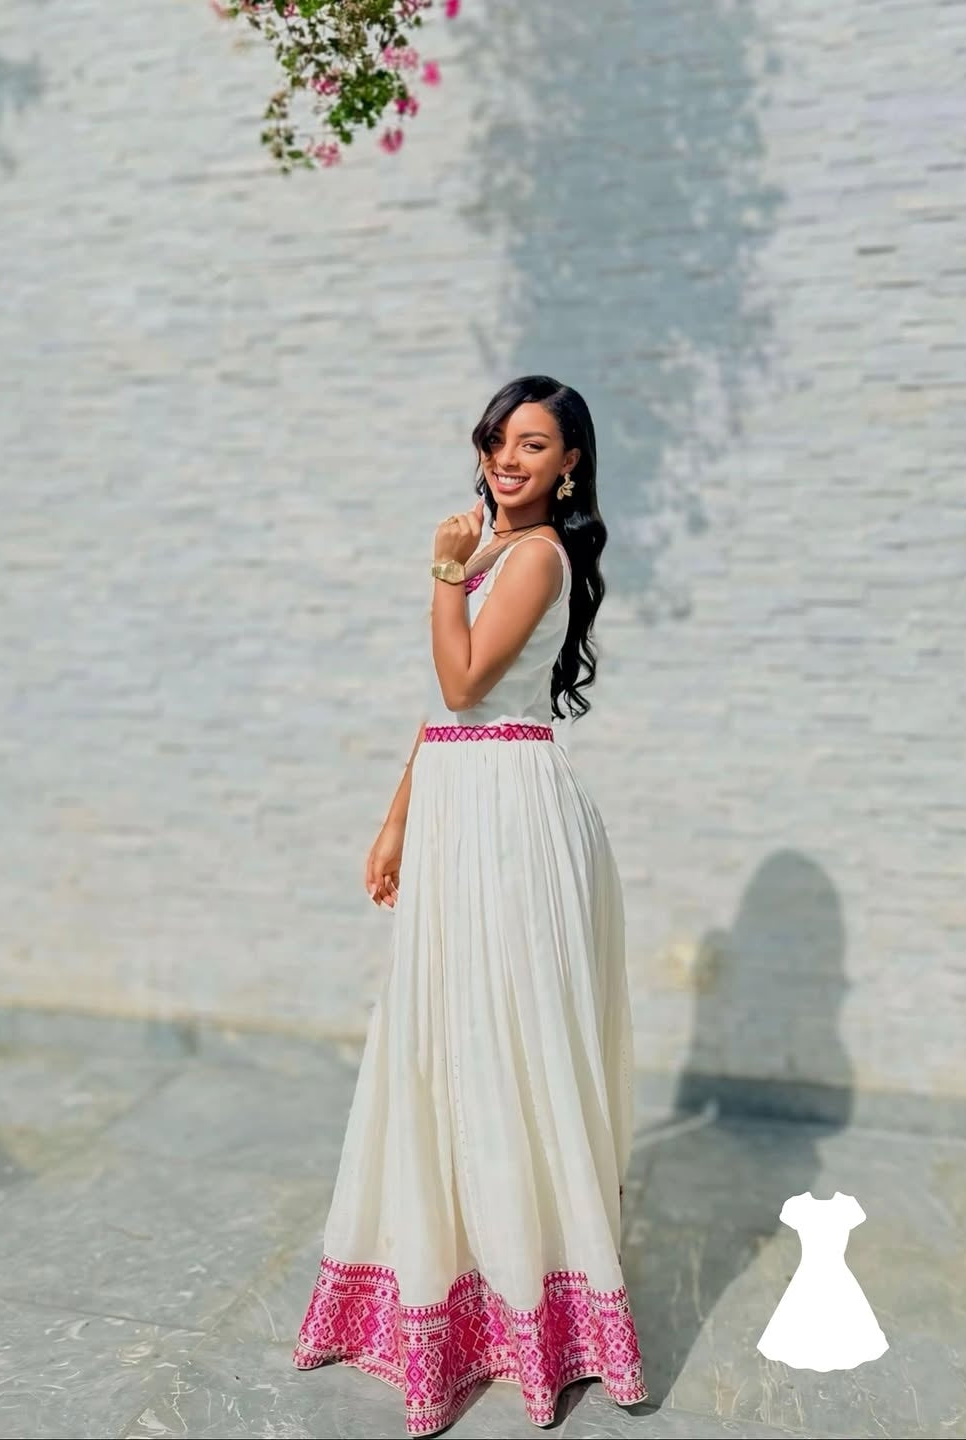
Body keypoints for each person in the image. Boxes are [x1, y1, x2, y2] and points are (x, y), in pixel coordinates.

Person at [292, 375, 648, 1434]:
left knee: (505, 1043)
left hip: (510, 817)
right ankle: (438, 1298)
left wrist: (444, 568)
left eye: (534, 444)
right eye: (498, 439)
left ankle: (528, 1312)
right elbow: (447, 708)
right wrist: (397, 816)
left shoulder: (535, 555)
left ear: (571, 462)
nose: (509, 457)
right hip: (458, 798)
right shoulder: (492, 555)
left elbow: (461, 682)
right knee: (441, 1043)